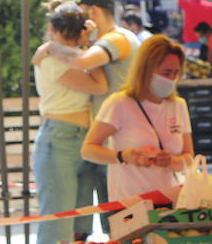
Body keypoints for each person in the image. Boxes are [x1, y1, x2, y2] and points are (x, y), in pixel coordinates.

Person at [32, 0, 107, 244]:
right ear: (52, 31)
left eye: (74, 37)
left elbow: (95, 76)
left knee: (80, 225)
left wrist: (82, 49)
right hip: (59, 139)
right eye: (68, 36)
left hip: (82, 139)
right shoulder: (52, 57)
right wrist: (84, 50)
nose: (71, 42)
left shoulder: (64, 54)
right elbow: (99, 85)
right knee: (58, 226)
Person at [80, 36, 193, 202]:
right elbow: (88, 150)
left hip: (171, 203)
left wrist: (171, 161)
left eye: (176, 73)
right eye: (166, 73)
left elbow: (189, 158)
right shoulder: (119, 103)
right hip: (130, 205)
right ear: (146, 70)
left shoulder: (178, 105)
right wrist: (123, 156)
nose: (171, 79)